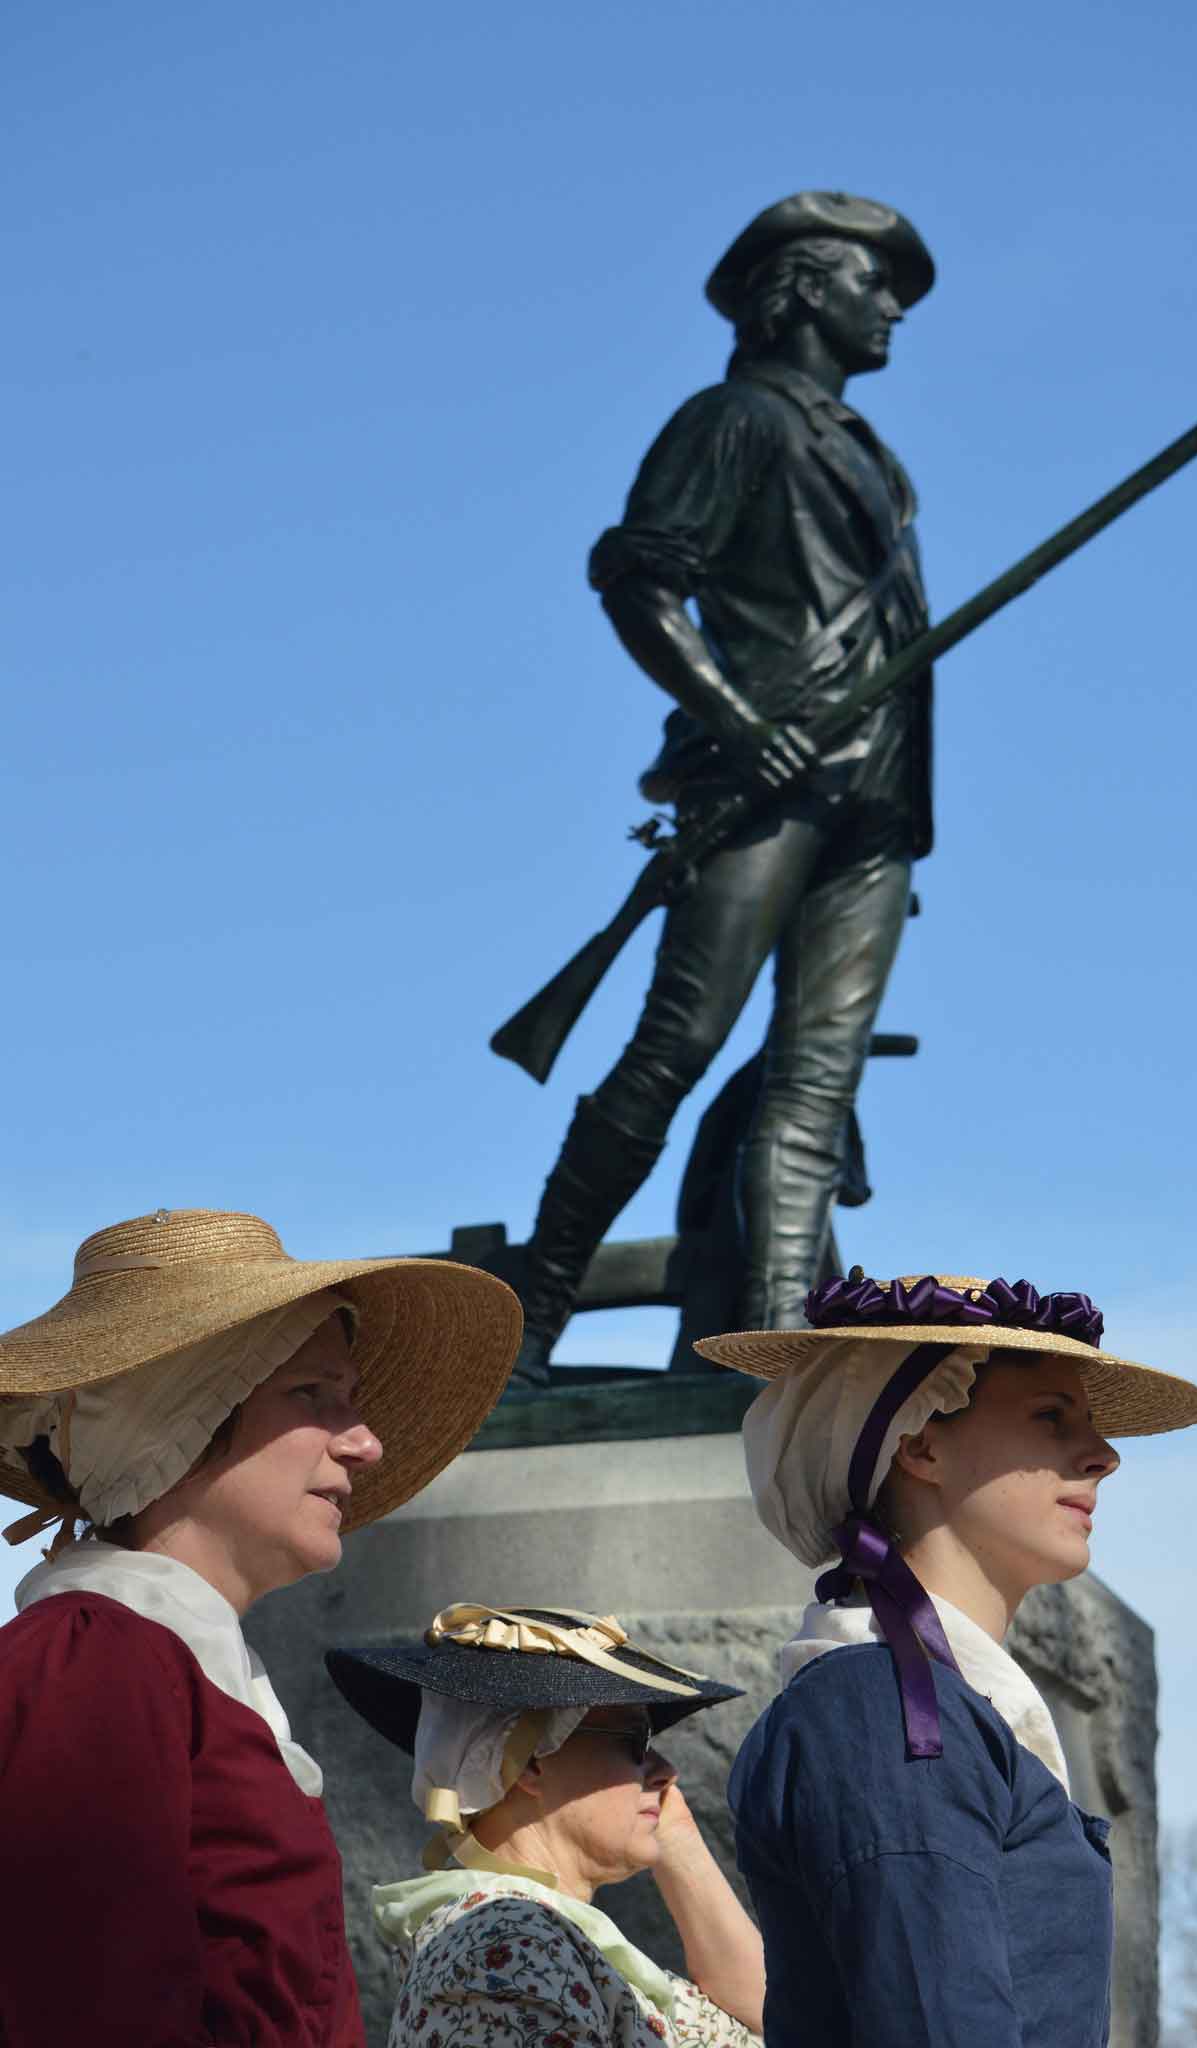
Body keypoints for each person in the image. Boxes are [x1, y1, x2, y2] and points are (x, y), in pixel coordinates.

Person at [509, 191, 938, 1390]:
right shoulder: (734, 418)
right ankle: (531, 1320)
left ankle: (783, 1349)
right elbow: (640, 580)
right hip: (767, 784)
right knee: (674, 1050)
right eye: (871, 282)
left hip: (875, 794)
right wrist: (743, 726)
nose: (892, 305)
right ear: (802, 290)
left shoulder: (865, 451)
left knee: (816, 1085)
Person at [0, 1205, 522, 2048]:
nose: (366, 1444)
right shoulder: (96, 1662)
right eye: (311, 1394)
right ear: (176, 1419)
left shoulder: (173, 1663)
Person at [694, 1267, 1197, 2047]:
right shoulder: (883, 1710)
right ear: (922, 1443)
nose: (1103, 1454)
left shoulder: (920, 1703)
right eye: (1051, 1416)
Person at [326, 1599, 766, 2046]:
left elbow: (767, 2016)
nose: (666, 1770)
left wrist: (677, 1833)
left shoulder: (543, 1940)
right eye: (636, 1740)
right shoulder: (505, 1945)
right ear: (531, 1764)